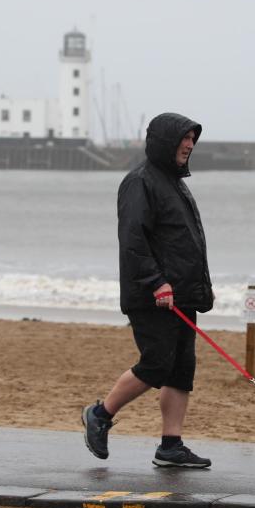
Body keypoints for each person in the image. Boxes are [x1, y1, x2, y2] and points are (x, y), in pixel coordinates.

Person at [82, 112, 214, 468]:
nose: (189, 145)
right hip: (152, 295)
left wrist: (194, 288)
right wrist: (156, 282)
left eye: (192, 139)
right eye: (183, 139)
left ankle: (171, 445)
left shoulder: (174, 182)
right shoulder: (140, 182)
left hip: (181, 296)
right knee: (157, 364)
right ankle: (100, 414)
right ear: (164, 142)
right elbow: (133, 240)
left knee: (181, 370)